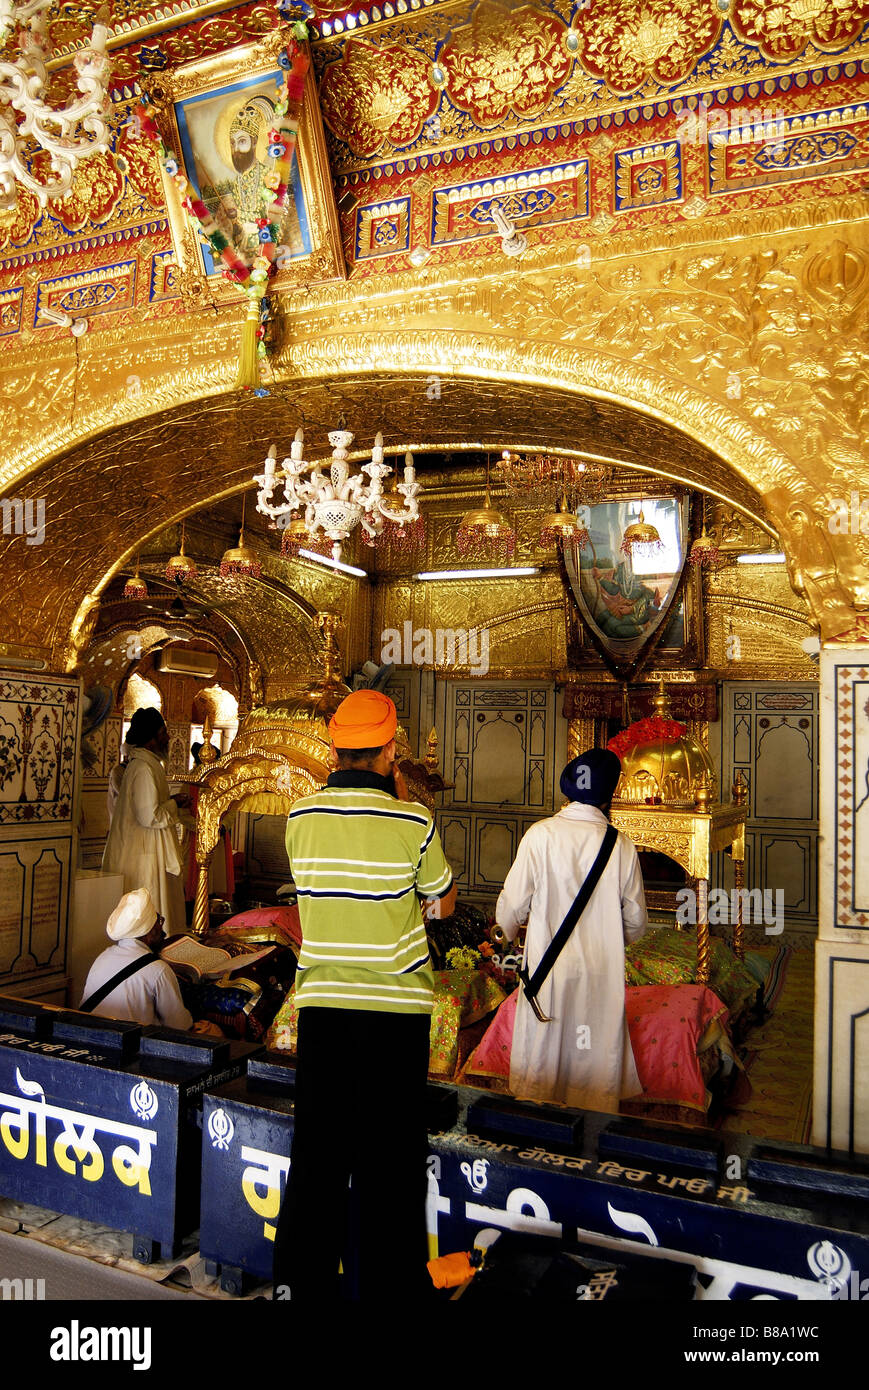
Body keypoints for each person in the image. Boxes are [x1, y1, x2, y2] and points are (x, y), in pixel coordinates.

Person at [272, 689, 455, 1302]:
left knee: (318, 1148)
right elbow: (442, 900)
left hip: (323, 1005)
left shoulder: (300, 818)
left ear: (333, 747)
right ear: (390, 749)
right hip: (396, 1012)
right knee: (390, 1155)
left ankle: (301, 1286)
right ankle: (389, 1289)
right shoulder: (414, 822)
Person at [496, 747, 647, 1113]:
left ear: (569, 790)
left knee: (543, 1065)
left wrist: (507, 939)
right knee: (592, 1062)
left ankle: (538, 1139)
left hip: (548, 973)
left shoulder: (540, 836)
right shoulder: (621, 845)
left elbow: (511, 909)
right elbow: (637, 924)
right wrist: (606, 938)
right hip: (600, 972)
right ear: (609, 794)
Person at [102, 708, 190, 937]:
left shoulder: (148, 764)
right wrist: (175, 804)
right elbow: (149, 816)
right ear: (152, 738)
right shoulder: (142, 767)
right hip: (143, 856)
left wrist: (171, 802)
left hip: (147, 851)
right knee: (147, 918)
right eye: (163, 732)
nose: (168, 738)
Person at [80, 887, 194, 1029]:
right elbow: (179, 1025)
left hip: (88, 1035)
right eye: (159, 922)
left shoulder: (103, 957)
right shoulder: (158, 969)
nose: (162, 930)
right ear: (149, 932)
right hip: (129, 1045)